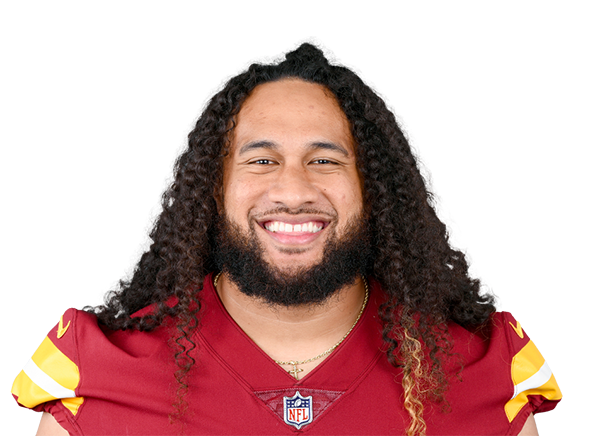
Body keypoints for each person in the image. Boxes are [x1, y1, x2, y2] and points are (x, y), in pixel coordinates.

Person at [12, 37, 561, 436]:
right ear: (212, 187)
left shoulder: (477, 368)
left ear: (374, 187)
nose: (292, 189)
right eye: (261, 159)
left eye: (325, 159)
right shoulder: (101, 369)